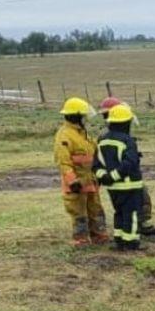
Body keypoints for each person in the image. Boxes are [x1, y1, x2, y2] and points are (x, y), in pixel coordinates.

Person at [94, 104, 155, 250]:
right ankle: (131, 243)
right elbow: (130, 163)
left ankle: (119, 240)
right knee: (132, 214)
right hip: (130, 186)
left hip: (113, 188)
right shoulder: (128, 141)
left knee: (119, 212)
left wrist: (105, 177)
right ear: (126, 123)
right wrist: (114, 175)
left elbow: (96, 164)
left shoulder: (102, 140)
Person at [54, 98, 109, 247]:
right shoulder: (64, 135)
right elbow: (63, 162)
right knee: (79, 213)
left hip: (90, 181)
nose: (85, 118)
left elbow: (93, 155)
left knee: (96, 209)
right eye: (82, 115)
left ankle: (100, 237)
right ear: (75, 116)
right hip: (76, 184)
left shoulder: (82, 133)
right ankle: (81, 240)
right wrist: (72, 181)